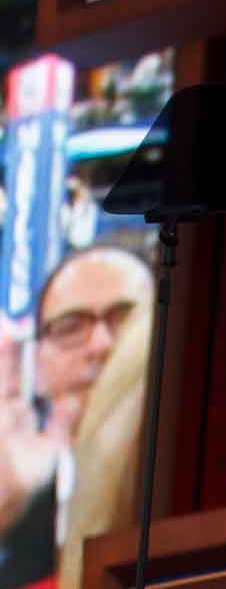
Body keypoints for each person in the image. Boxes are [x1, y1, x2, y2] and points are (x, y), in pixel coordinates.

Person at [0, 249, 156, 589]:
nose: (100, 345)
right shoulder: (14, 510)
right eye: (71, 327)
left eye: (125, 319)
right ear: (37, 365)